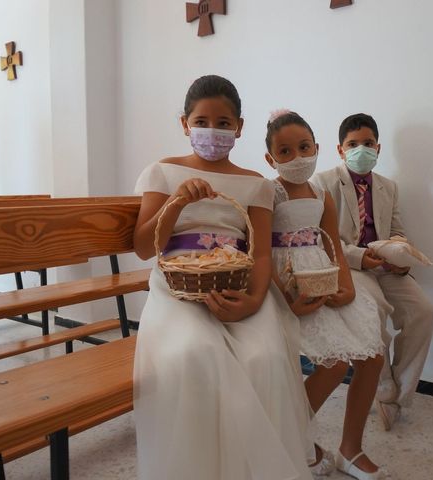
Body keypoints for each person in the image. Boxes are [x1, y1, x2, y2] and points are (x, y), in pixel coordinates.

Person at [132, 75, 313, 480]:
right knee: (195, 353)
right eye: (201, 121)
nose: (212, 131)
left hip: (239, 282)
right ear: (184, 124)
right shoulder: (162, 172)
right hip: (178, 288)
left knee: (263, 357)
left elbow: (261, 252)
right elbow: (145, 247)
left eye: (223, 123)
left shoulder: (254, 184)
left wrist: (252, 300)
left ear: (240, 127)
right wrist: (177, 203)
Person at [266, 110, 387, 480]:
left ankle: (350, 448)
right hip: (287, 283)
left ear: (317, 148)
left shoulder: (321, 194)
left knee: (373, 352)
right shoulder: (269, 192)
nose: (297, 157)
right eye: (284, 151)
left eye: (304, 147)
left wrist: (346, 285)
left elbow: (332, 243)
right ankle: (285, 437)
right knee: (334, 364)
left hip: (323, 275)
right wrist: (286, 295)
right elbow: (259, 250)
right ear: (271, 159)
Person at [312, 113, 433, 431]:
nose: (361, 150)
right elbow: (323, 239)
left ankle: (396, 397)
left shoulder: (388, 187)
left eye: (368, 144)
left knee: (424, 311)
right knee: (374, 312)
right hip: (352, 266)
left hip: (387, 268)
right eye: (353, 145)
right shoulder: (323, 183)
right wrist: (360, 258)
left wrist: (401, 255)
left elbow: (397, 231)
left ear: (378, 148)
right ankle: (381, 387)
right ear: (340, 150)